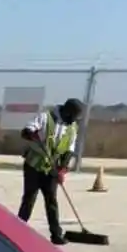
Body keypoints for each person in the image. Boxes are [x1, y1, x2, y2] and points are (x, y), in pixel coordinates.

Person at [18, 97, 84, 244]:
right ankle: (18, 230)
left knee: (51, 200)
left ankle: (56, 235)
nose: (74, 120)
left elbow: (69, 150)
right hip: (33, 166)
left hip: (51, 168)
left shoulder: (72, 127)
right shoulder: (45, 117)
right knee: (29, 198)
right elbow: (26, 130)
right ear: (66, 112)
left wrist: (63, 169)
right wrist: (31, 133)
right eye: (73, 116)